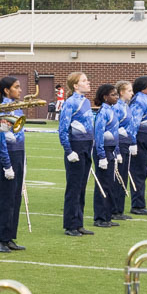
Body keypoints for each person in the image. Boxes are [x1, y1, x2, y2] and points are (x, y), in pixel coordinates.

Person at [0, 76, 27, 253]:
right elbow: (1, 139)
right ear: (6, 90)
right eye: (16, 87)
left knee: (16, 198)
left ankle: (10, 236)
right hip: (9, 156)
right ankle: (1, 239)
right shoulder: (3, 109)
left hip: (19, 153)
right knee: (6, 199)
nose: (20, 90)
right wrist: (7, 165)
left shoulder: (17, 107)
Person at [59, 71, 95, 236]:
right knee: (74, 187)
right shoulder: (70, 102)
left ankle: (79, 222)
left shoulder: (86, 101)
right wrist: (69, 150)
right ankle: (70, 225)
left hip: (87, 146)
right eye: (84, 80)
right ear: (75, 85)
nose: (88, 83)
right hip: (76, 146)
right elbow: (63, 128)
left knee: (82, 187)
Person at [127, 77, 147, 215]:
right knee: (138, 172)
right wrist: (133, 142)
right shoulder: (139, 101)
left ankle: (140, 203)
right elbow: (134, 122)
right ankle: (137, 205)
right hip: (141, 139)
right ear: (143, 87)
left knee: (142, 171)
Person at [92, 83, 122, 228]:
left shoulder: (111, 110)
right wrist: (101, 155)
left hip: (111, 150)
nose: (116, 97)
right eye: (113, 95)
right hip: (103, 150)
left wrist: (116, 152)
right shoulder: (103, 112)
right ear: (105, 97)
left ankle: (107, 216)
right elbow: (98, 134)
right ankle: (100, 217)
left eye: (116, 94)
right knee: (102, 184)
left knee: (109, 183)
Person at [113, 80, 135, 222]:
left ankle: (120, 209)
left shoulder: (127, 106)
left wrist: (133, 142)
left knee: (124, 176)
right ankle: (114, 209)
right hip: (119, 142)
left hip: (126, 142)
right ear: (121, 92)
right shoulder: (117, 107)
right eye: (129, 91)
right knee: (118, 177)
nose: (132, 93)